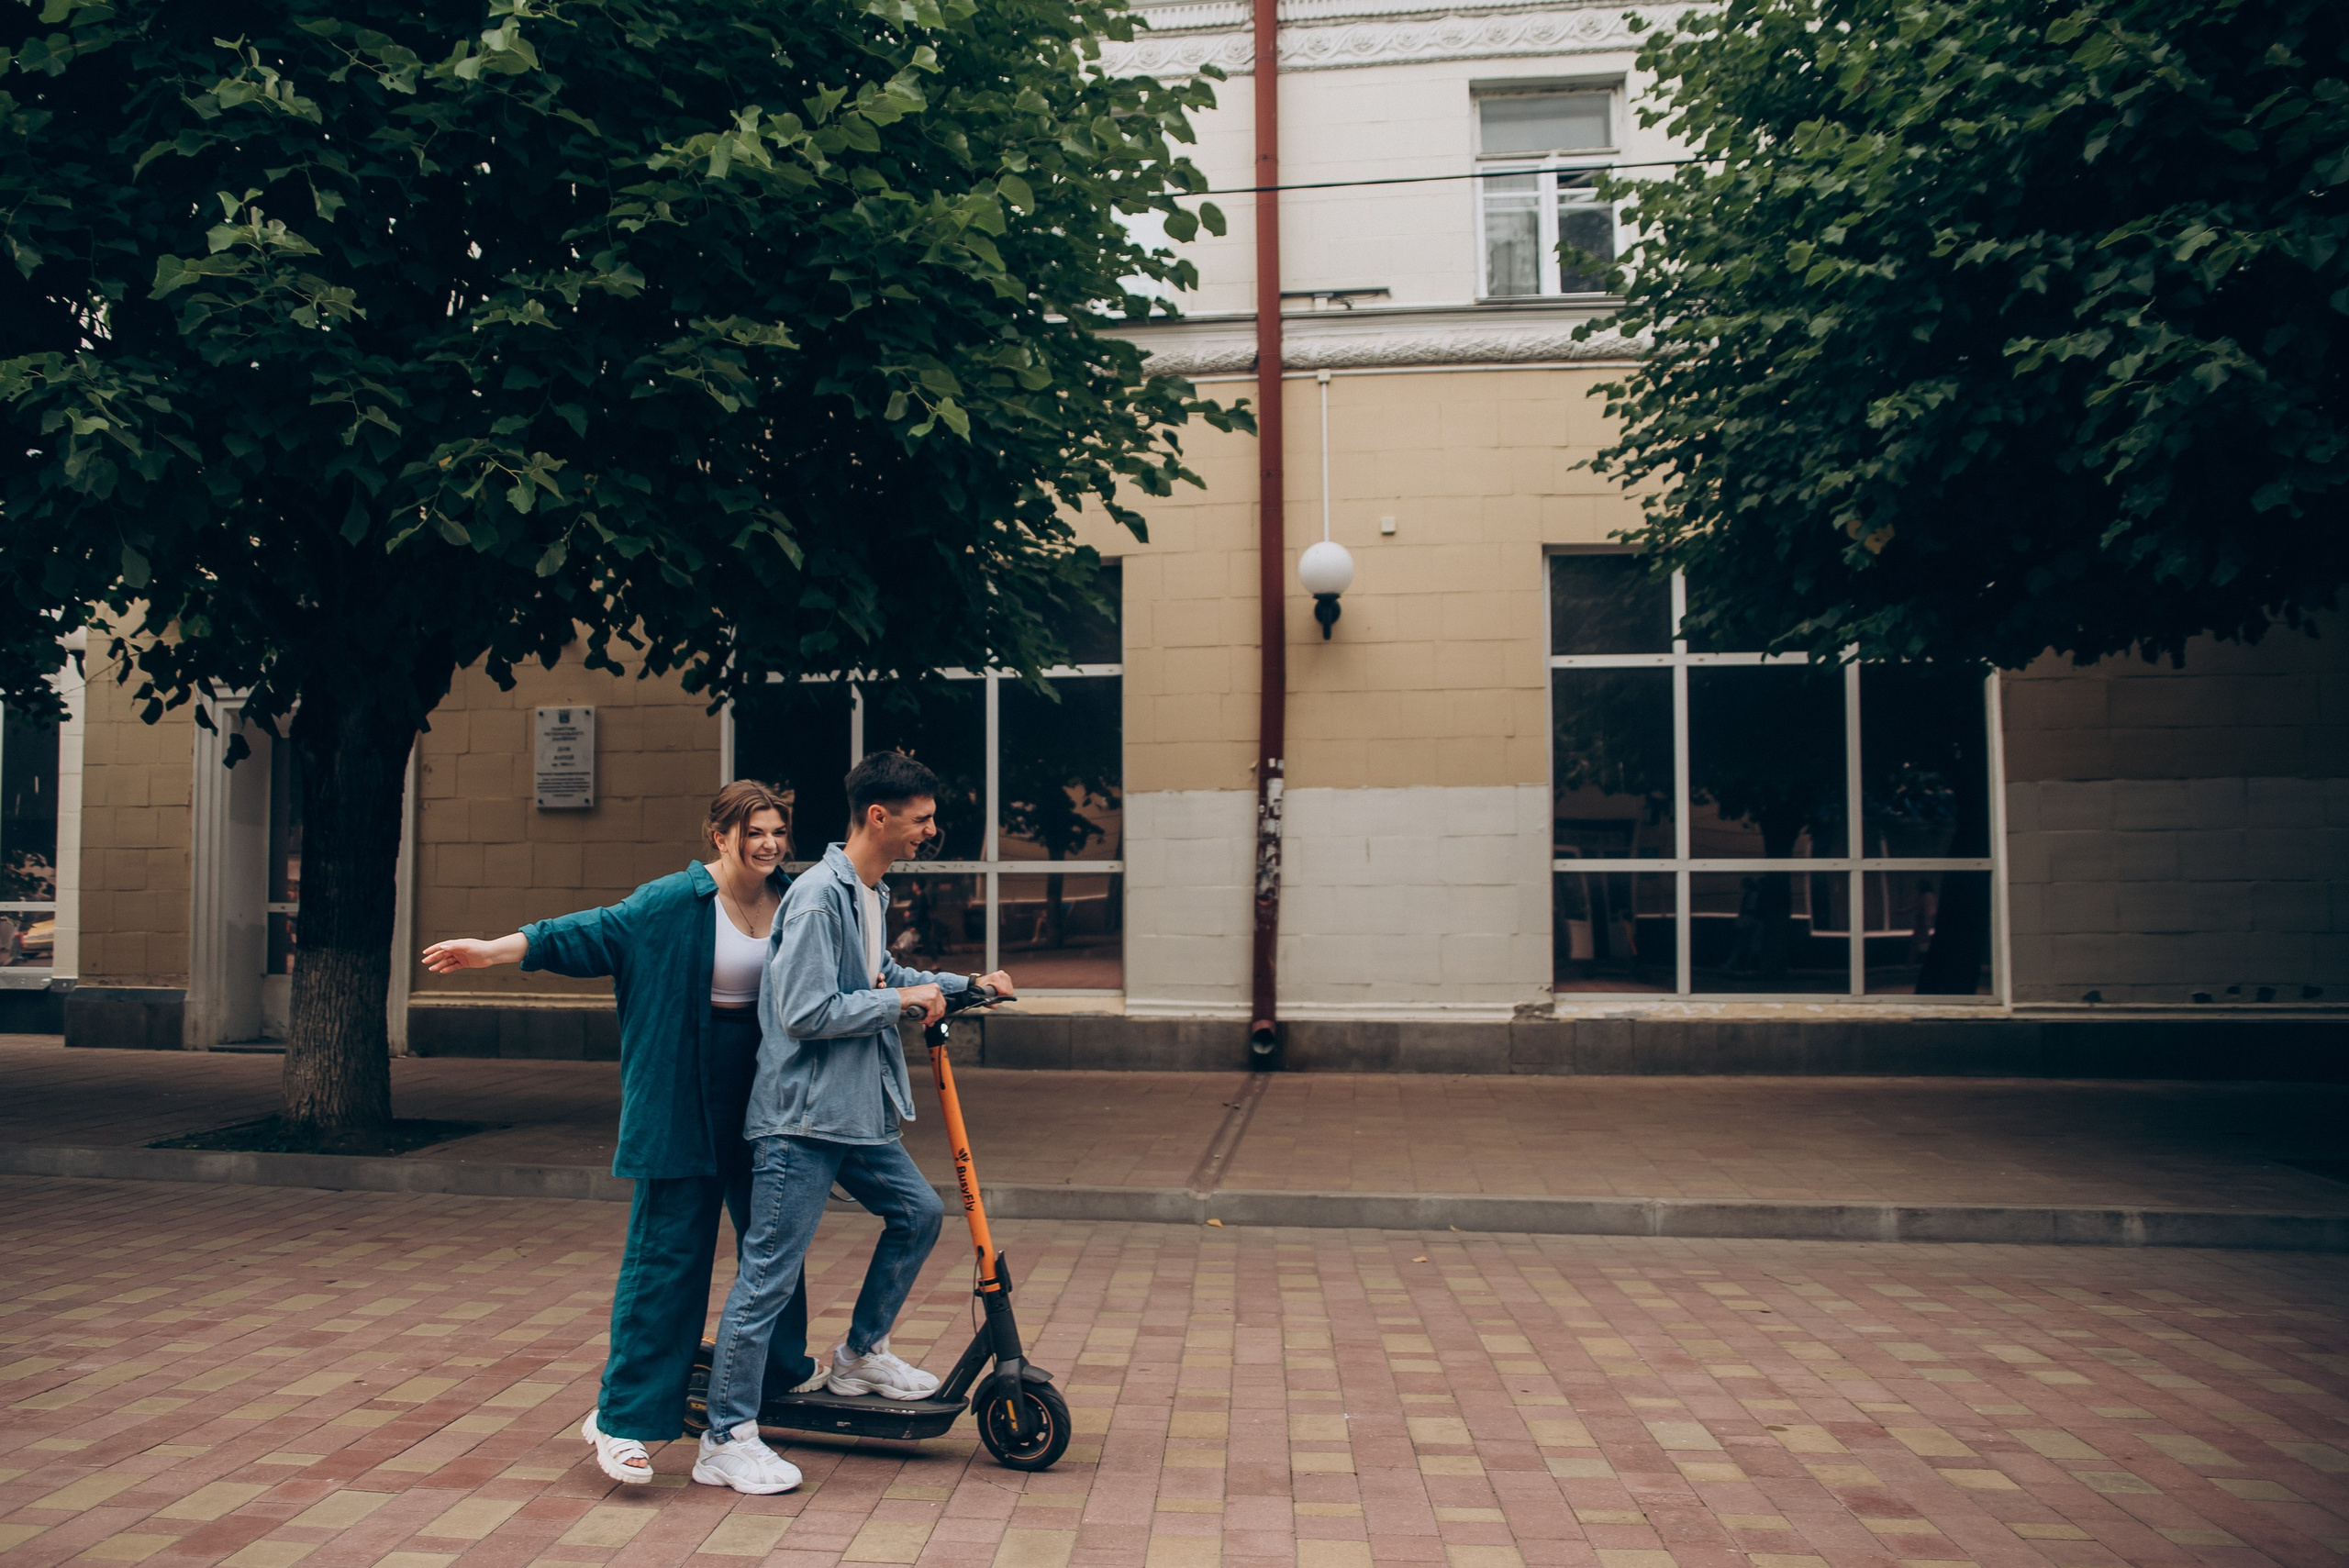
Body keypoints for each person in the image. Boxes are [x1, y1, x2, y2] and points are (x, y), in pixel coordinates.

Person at [418, 780, 817, 1485]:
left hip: (768, 1096)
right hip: (681, 1095)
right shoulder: (671, 901)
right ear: (718, 835)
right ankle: (622, 1419)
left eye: (778, 832)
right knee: (670, 1260)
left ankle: (772, 1389)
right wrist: (491, 949)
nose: (769, 844)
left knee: (775, 1247)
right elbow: (585, 931)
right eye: (754, 831)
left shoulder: (796, 899)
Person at [692, 751, 1015, 1494]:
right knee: (767, 1276)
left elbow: (878, 979)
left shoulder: (867, 891)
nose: (931, 829)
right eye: (922, 817)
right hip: (801, 1121)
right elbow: (804, 1011)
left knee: (918, 1213)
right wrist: (898, 1005)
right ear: (879, 815)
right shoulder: (815, 897)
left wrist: (967, 987)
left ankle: (860, 1355)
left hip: (854, 1111)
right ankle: (725, 1436)